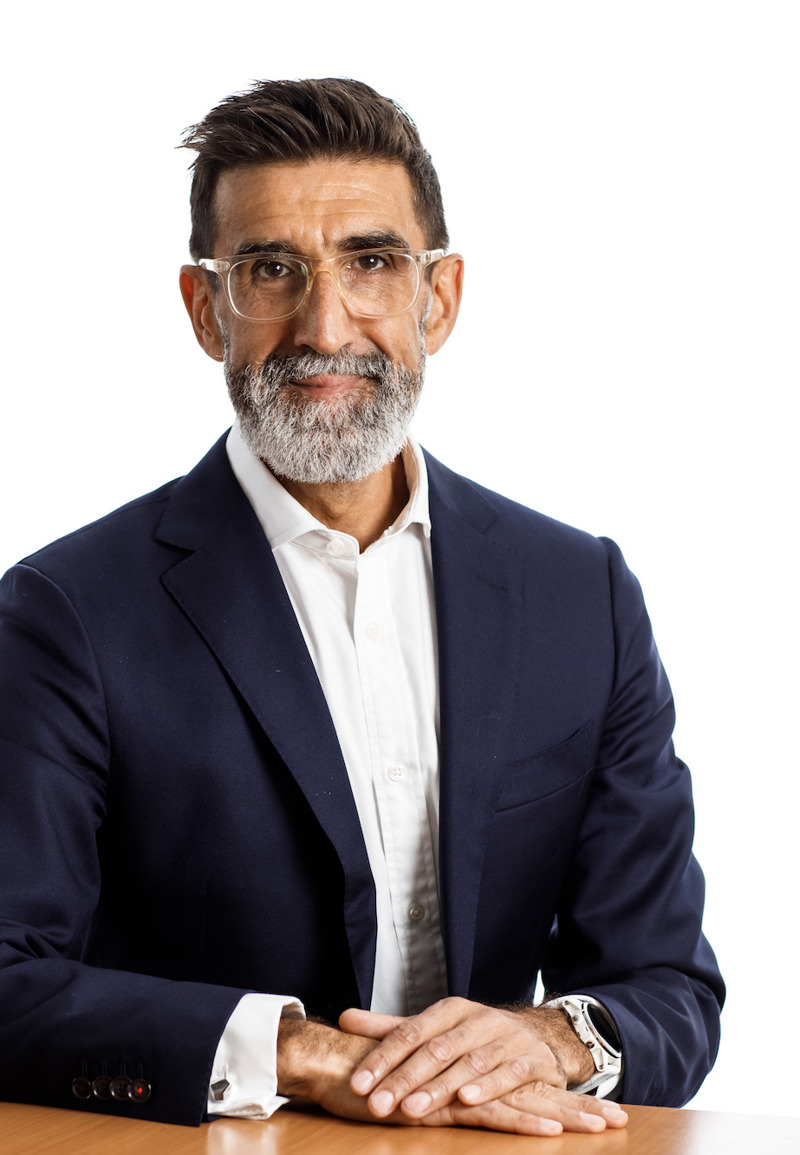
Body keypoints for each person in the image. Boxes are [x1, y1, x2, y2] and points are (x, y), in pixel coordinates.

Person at [0, 78, 723, 1135]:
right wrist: (296, 1051)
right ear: (208, 311)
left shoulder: (582, 595)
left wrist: (549, 1037)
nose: (324, 323)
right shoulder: (67, 612)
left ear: (438, 297)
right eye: (270, 270)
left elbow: (666, 985)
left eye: (371, 263)